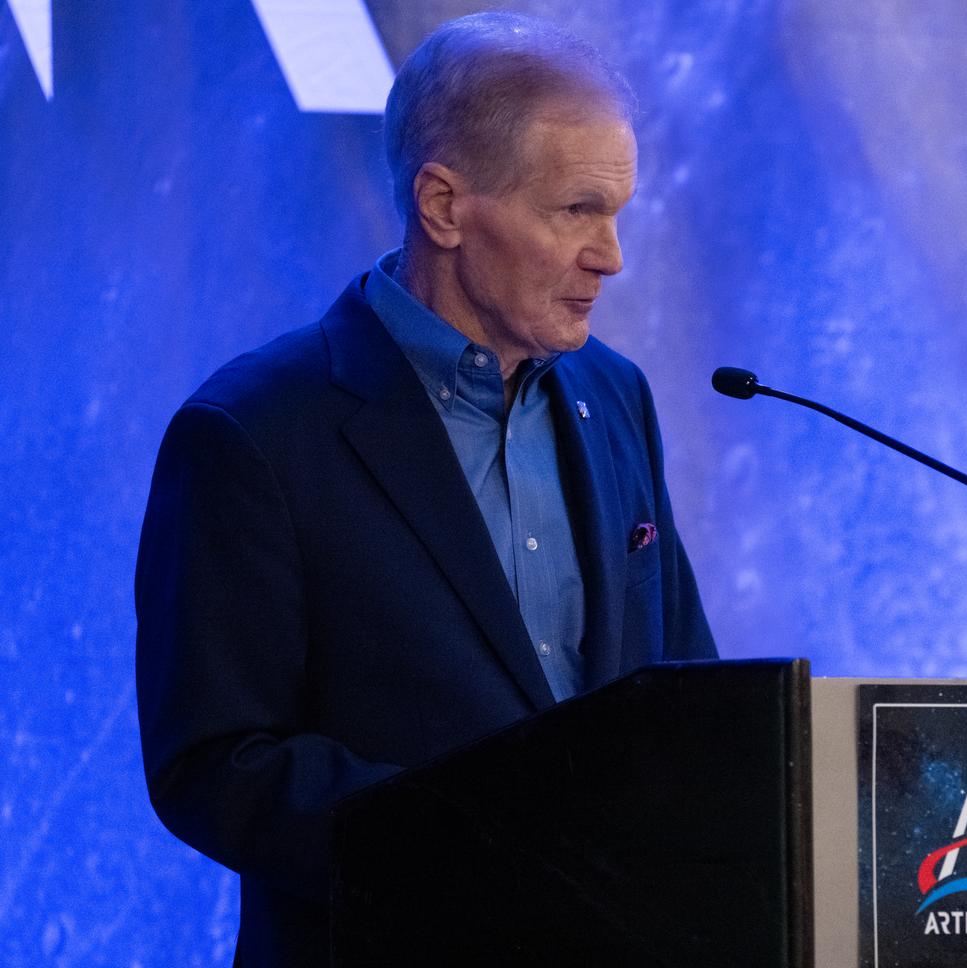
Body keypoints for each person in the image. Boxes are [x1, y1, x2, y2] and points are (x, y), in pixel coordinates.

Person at [134, 12, 716, 965]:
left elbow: (683, 686)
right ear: (443, 205)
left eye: (617, 214)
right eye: (575, 210)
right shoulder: (255, 433)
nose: (611, 256)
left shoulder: (615, 396)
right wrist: (485, 847)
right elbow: (216, 762)